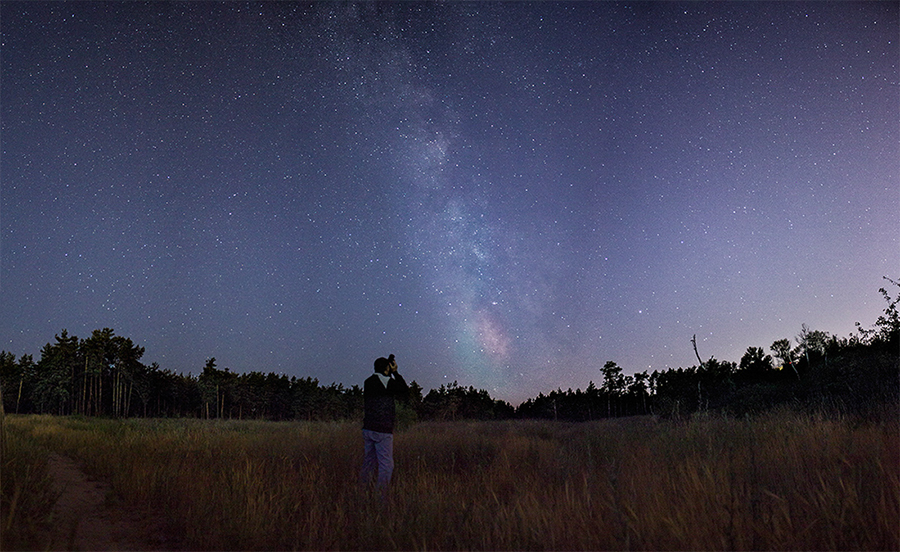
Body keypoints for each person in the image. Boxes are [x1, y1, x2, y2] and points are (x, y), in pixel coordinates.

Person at [360, 354, 409, 494]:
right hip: (383, 430)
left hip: (368, 428)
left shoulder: (368, 381)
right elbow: (404, 390)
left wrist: (389, 371)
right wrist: (396, 372)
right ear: (387, 368)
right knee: (386, 465)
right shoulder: (387, 381)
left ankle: (362, 493)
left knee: (369, 463)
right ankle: (381, 499)